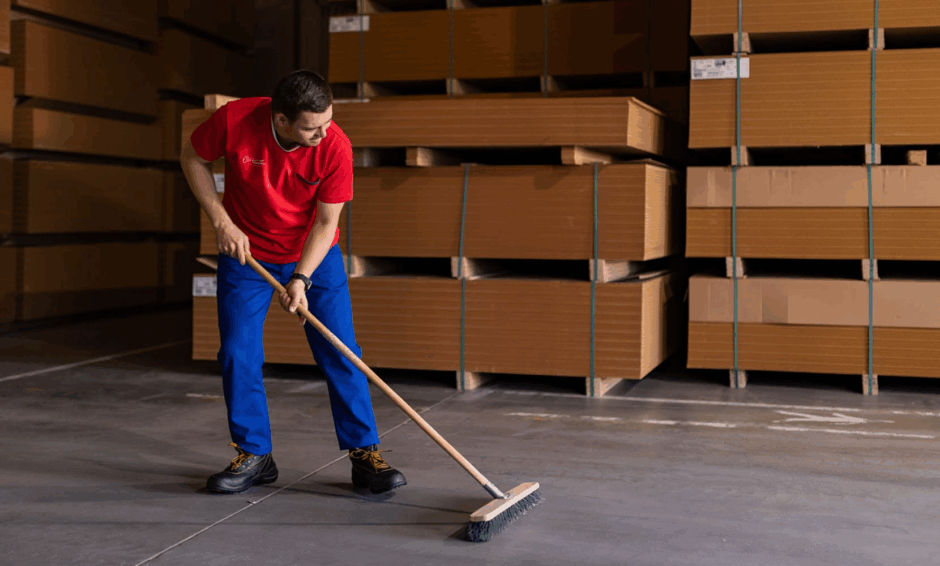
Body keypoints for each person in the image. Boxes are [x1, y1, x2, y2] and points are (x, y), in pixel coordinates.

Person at [180, 70, 406, 495]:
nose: (324, 133)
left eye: (327, 122)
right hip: (246, 254)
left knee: (341, 349)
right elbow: (192, 157)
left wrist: (301, 276)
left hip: (314, 257)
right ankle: (255, 454)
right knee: (237, 352)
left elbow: (326, 222)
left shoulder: (334, 143)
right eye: (311, 127)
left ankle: (365, 455)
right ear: (280, 119)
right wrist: (220, 220)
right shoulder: (235, 121)